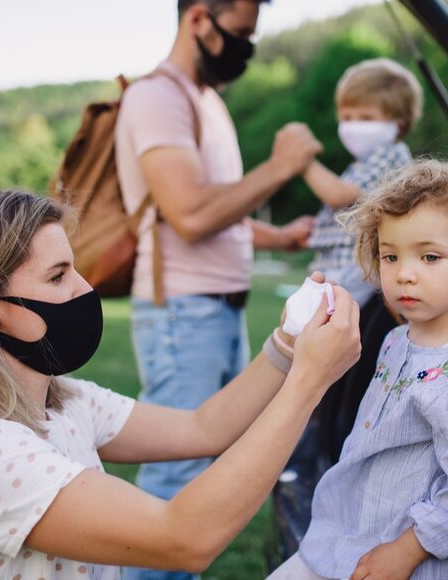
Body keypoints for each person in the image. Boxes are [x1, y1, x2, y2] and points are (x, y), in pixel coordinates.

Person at [0, 190, 360, 579]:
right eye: (58, 276)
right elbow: (183, 537)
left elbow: (204, 429)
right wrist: (309, 383)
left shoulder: (64, 401)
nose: (85, 288)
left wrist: (288, 344)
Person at [115, 6, 320, 576]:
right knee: (177, 470)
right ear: (200, 19)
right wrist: (280, 168)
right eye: (240, 34)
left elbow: (218, 209)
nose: (246, 47)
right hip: (184, 311)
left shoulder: (207, 101)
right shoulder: (158, 97)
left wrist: (280, 236)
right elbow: (188, 212)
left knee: (205, 466)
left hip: (215, 309)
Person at [268, 160, 448, 579]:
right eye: (390, 256)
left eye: (430, 256)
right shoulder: (395, 340)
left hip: (407, 563)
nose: (404, 274)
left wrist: (405, 552)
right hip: (347, 538)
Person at [296, 57, 423, 470]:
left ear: (397, 121)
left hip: (356, 273)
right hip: (338, 268)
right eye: (346, 116)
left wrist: (302, 161)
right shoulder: (368, 159)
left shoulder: (390, 156)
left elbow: (339, 195)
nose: (351, 125)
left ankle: (328, 445)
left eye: (365, 116)